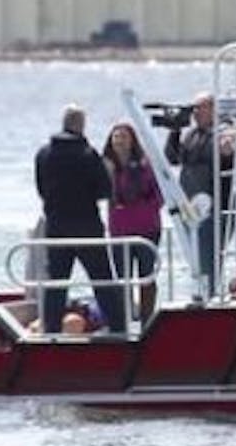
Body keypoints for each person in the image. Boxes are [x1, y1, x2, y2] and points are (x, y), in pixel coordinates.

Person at [34, 104, 126, 333]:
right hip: (86, 226)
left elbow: (41, 188)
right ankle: (118, 327)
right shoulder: (88, 155)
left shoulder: (44, 154)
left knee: (56, 282)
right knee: (102, 279)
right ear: (81, 125)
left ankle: (51, 329)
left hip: (55, 226)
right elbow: (104, 190)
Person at [164, 91, 234, 295]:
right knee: (194, 257)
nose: (194, 113)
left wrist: (227, 144)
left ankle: (210, 294)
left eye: (199, 108)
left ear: (213, 108)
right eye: (193, 109)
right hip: (190, 207)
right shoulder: (192, 135)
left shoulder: (223, 131)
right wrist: (175, 130)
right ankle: (200, 292)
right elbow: (173, 158)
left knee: (208, 257)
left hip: (214, 208)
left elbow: (226, 149)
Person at [103, 122, 163, 321]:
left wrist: (136, 206)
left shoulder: (146, 165)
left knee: (146, 277)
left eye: (124, 136)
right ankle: (125, 320)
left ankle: (148, 320)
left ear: (132, 140)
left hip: (147, 229)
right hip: (119, 231)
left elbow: (159, 197)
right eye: (116, 137)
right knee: (122, 278)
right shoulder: (105, 167)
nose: (119, 141)